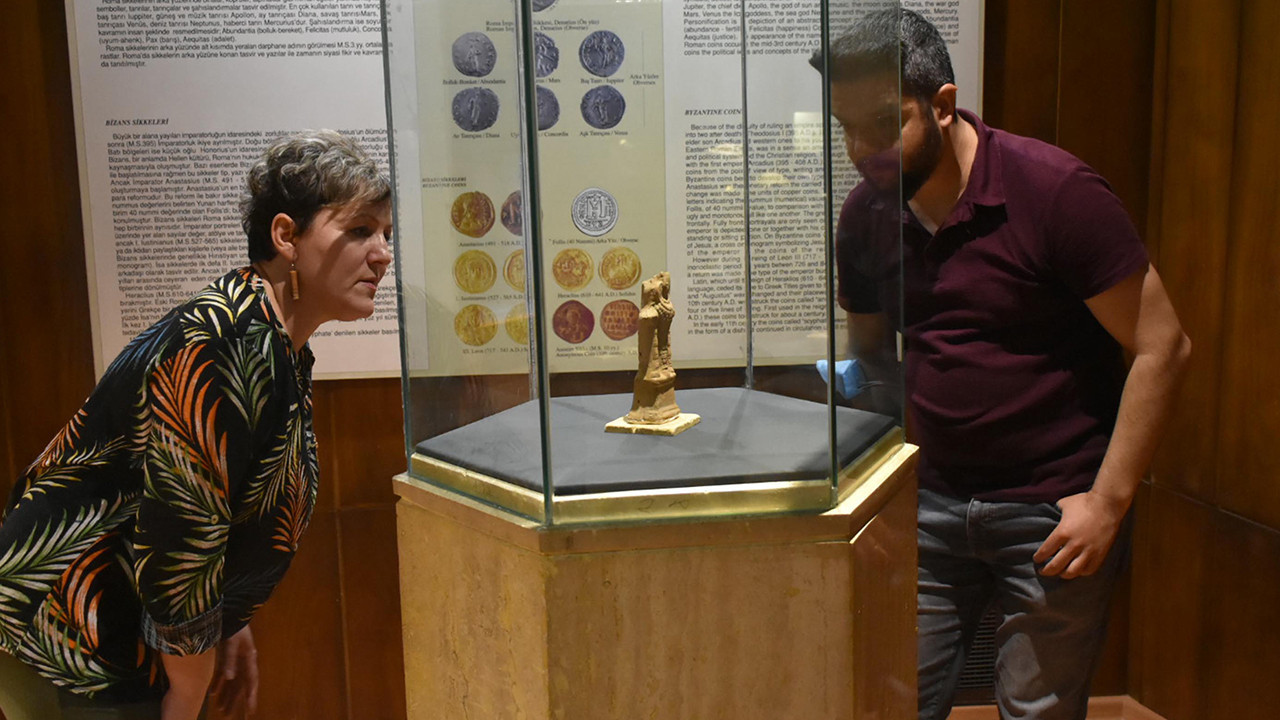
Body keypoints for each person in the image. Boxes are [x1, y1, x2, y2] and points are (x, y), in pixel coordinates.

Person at [811, 10, 1191, 720]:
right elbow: (870, 357)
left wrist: (1107, 504)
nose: (862, 150)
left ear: (943, 104)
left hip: (1053, 508)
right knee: (889, 700)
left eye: (884, 124)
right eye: (846, 128)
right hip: (931, 501)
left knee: (1036, 709)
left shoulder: (1055, 192)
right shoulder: (866, 214)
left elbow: (1162, 346)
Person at [0, 130, 393, 720]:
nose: (382, 253)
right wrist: (188, 688)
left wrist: (226, 618)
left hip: (118, 634)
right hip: (78, 640)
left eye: (386, 234)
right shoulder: (228, 341)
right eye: (360, 229)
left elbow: (215, 505)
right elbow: (180, 531)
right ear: (286, 235)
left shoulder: (264, 335)